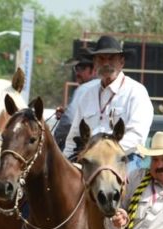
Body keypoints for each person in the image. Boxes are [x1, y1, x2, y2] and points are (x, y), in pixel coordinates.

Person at [61, 34, 153, 167]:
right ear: (94, 62)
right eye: (101, 58)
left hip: (125, 159)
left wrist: (103, 153)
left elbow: (136, 137)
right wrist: (66, 162)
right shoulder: (87, 95)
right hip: (89, 161)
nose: (105, 63)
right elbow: (74, 135)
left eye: (111, 58)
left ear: (121, 61)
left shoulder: (136, 92)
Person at [51, 49, 95, 149]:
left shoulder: (83, 89)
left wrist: (54, 141)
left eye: (82, 68)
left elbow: (69, 122)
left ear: (94, 70)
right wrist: (65, 114)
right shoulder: (104, 88)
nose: (77, 73)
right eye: (76, 68)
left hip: (81, 148)